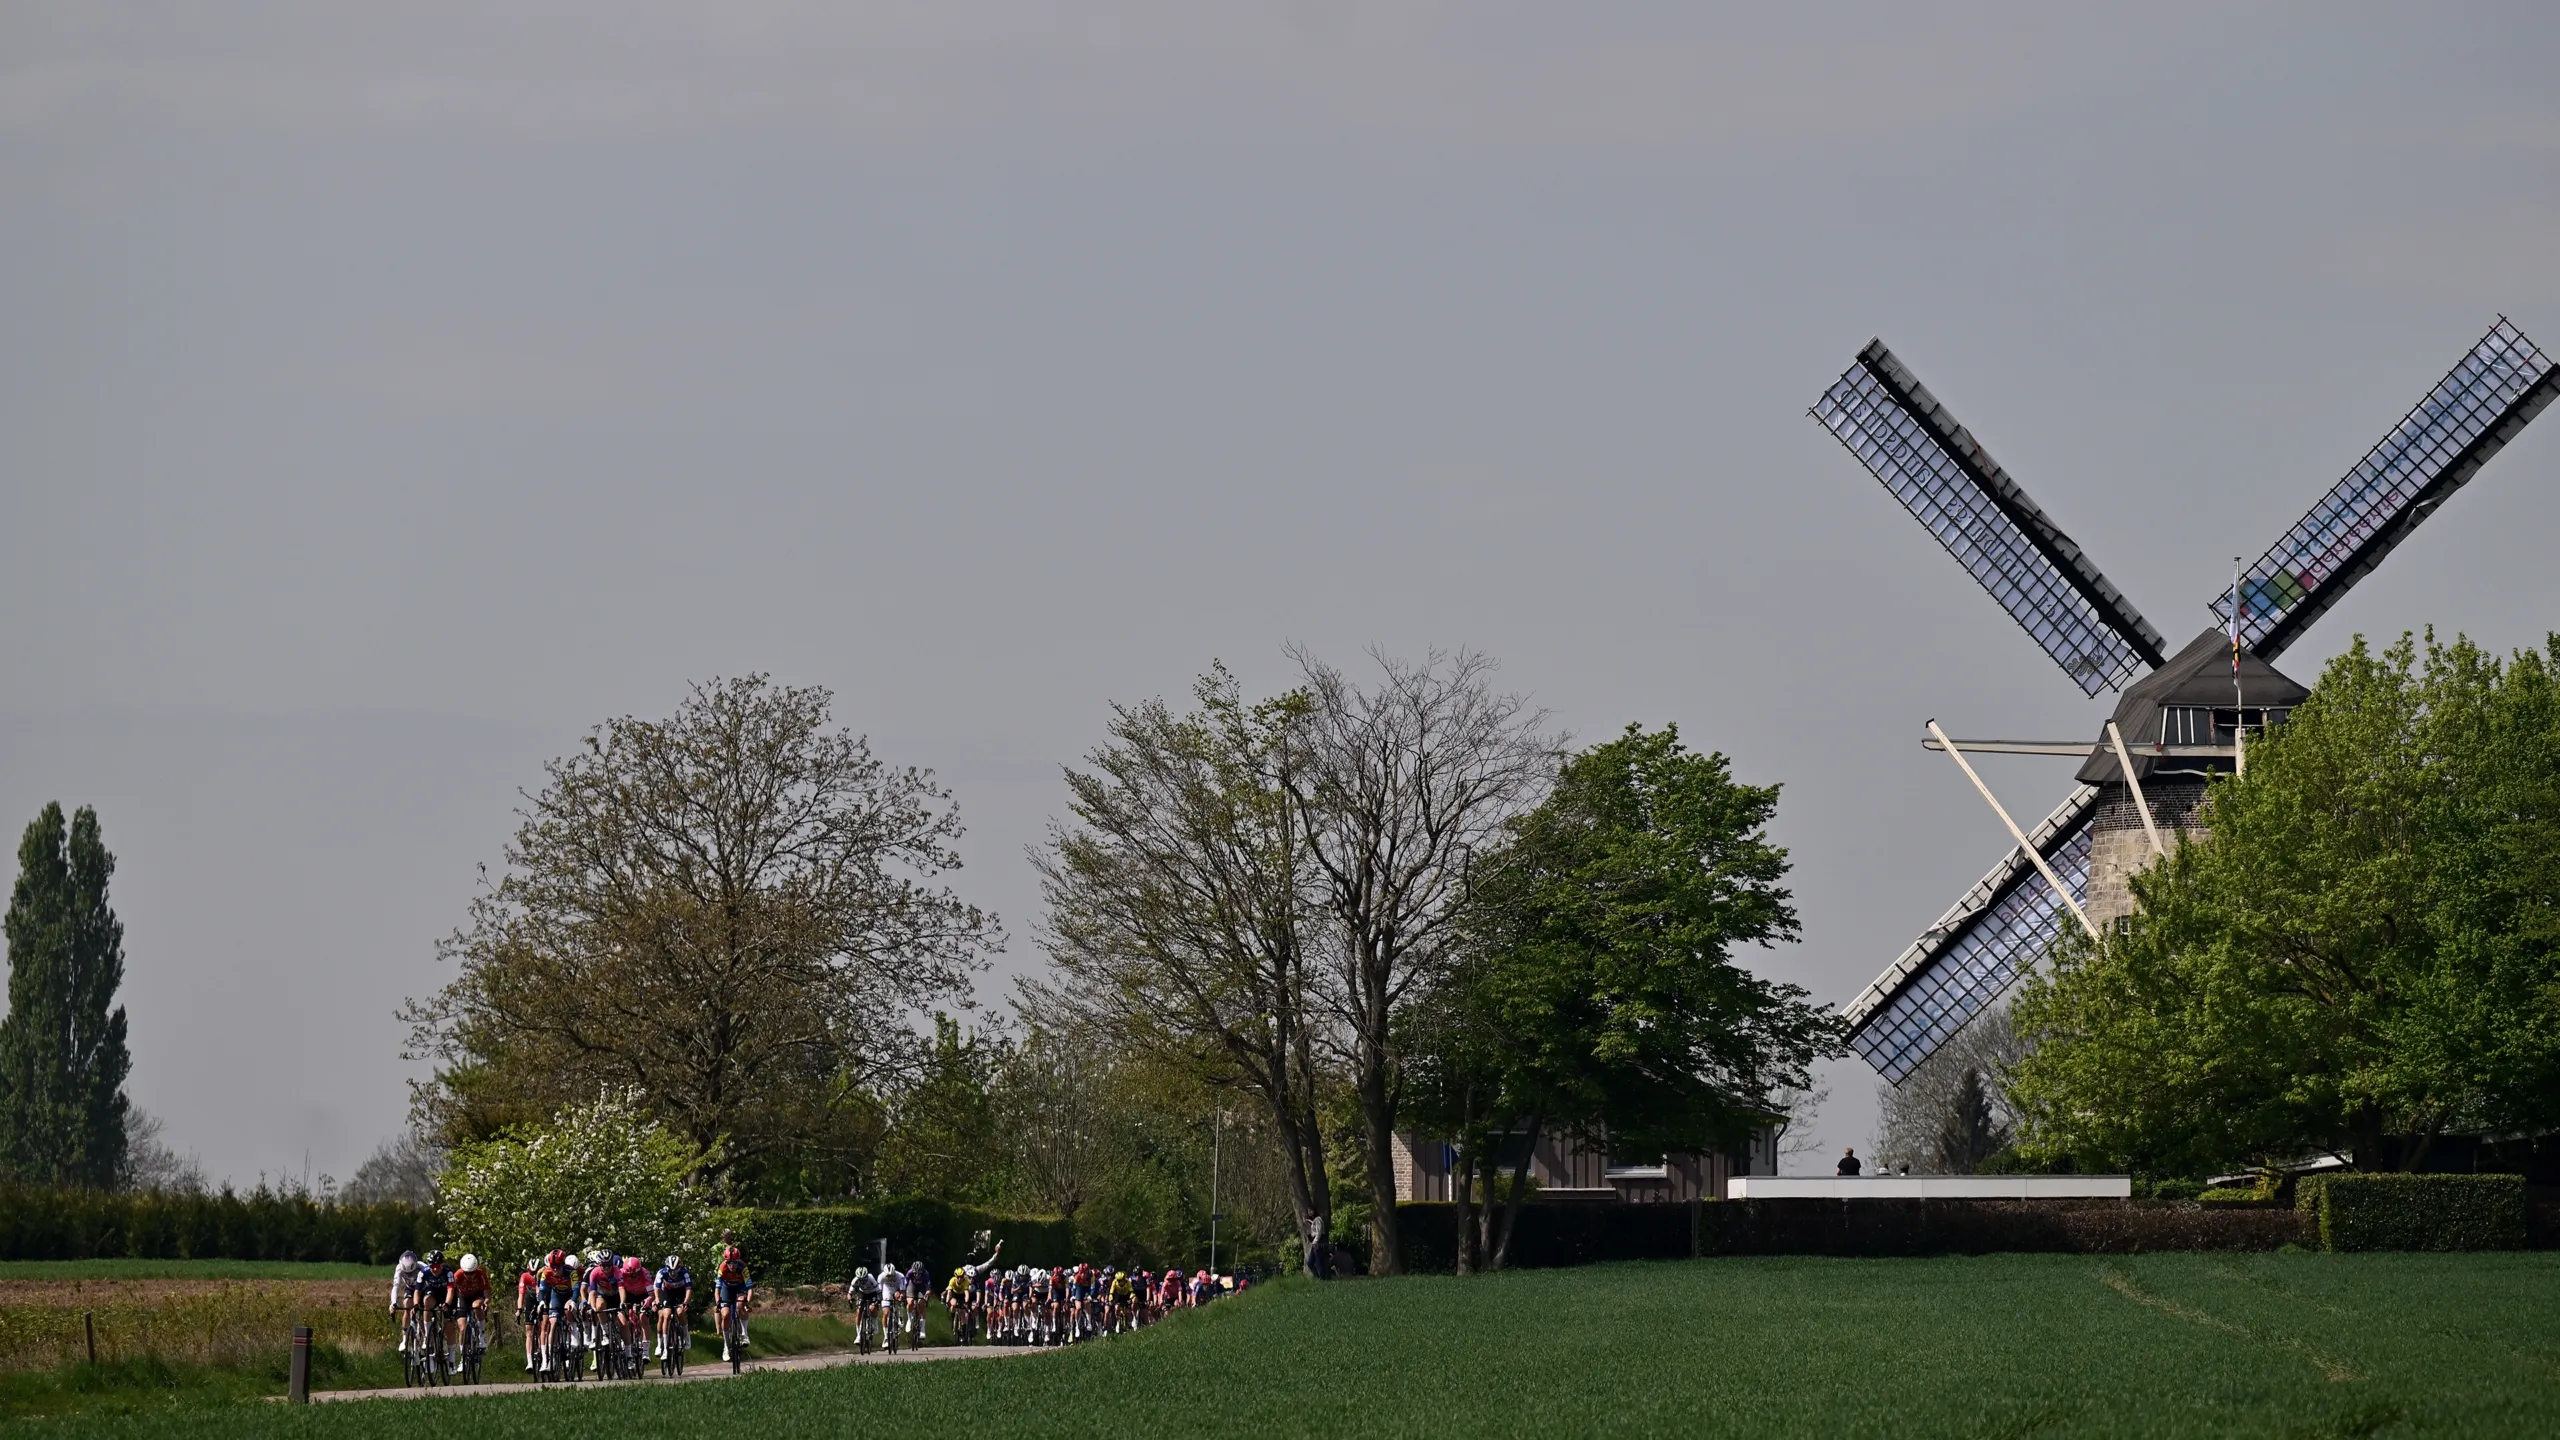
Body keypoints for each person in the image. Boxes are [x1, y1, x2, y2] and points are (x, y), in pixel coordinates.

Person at [714, 1241, 754, 1362]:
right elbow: (717, 1289)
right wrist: (718, 1303)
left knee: (740, 1304)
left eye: (734, 1263)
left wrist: (748, 1302)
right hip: (726, 1288)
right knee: (725, 1314)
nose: (732, 1266)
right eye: (729, 1263)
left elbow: (750, 1288)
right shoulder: (722, 1268)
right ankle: (726, 1346)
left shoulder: (743, 1267)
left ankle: (744, 1334)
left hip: (739, 1287)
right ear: (726, 1262)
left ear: (738, 1261)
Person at [451, 1254, 490, 1362]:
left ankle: (481, 1335)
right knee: (462, 1329)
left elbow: (487, 1293)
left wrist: (486, 1303)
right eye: (467, 1273)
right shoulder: (457, 1275)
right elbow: (451, 1291)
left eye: (472, 1273)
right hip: (463, 1297)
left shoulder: (481, 1274)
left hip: (477, 1295)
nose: (469, 1276)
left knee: (476, 1306)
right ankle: (463, 1359)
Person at [653, 1254, 693, 1362]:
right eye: (671, 1271)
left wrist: (685, 1302)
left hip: (681, 1292)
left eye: (676, 1271)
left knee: (680, 1312)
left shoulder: (684, 1273)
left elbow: (689, 1289)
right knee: (666, 1314)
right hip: (667, 1292)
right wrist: (657, 1300)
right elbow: (656, 1288)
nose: (673, 1273)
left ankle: (686, 1336)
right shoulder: (662, 1272)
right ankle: (664, 1348)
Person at [389, 1249, 422, 1352]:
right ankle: (404, 1340)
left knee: (423, 1309)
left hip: (423, 1289)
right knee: (407, 1305)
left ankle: (426, 1338)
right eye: (407, 1273)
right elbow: (395, 1287)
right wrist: (393, 1303)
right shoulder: (399, 1268)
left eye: (412, 1272)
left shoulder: (422, 1267)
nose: (410, 1275)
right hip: (410, 1288)